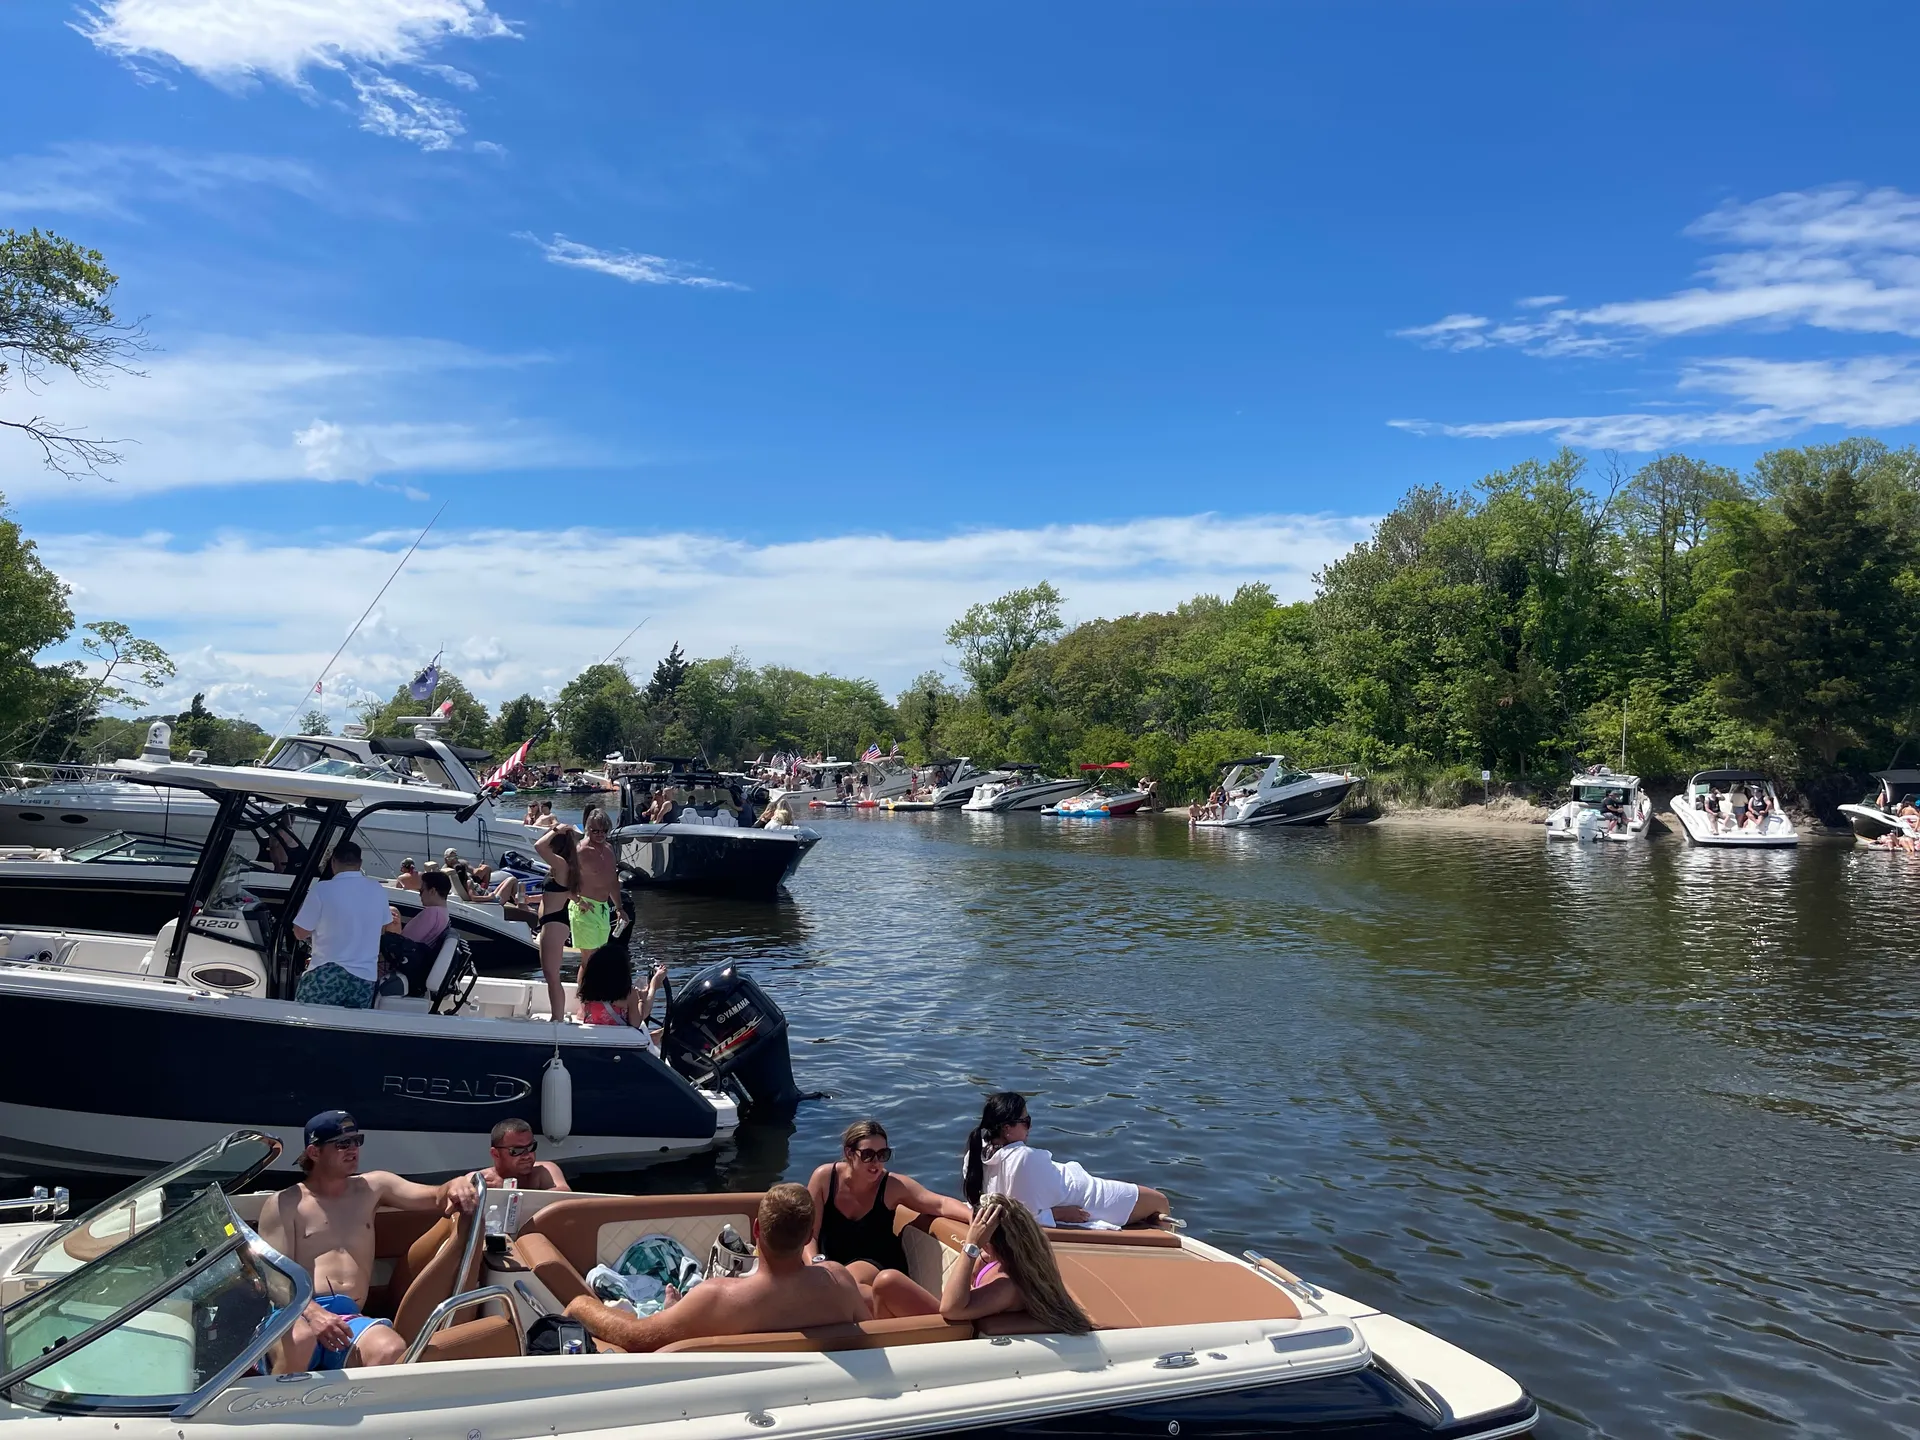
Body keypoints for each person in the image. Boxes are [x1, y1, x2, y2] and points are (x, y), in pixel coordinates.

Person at [258, 1111, 476, 1370]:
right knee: (302, 1339)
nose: (352, 1150)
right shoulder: (284, 1202)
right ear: (314, 1153)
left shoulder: (374, 1187)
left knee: (390, 1349)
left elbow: (434, 1196)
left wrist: (456, 1184)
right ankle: (278, 1408)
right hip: (295, 1311)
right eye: (341, 1144)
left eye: (356, 1141)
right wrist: (313, 1313)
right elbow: (274, 1278)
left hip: (349, 1316)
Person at [566, 1184, 869, 1352]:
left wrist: (581, 1305)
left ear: (756, 1231)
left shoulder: (716, 1298)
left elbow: (634, 1337)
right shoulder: (838, 1281)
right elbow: (873, 1333)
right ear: (807, 1237)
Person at [805, 1120, 971, 1302]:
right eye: (868, 1154)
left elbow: (940, 1203)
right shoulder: (824, 1179)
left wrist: (973, 1217)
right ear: (849, 1153)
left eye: (883, 1154)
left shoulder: (892, 1186)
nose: (876, 1162)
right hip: (830, 1263)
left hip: (877, 1264)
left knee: (846, 1282)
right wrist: (816, 1264)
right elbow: (809, 1235)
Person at [963, 1092, 1171, 1228]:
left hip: (1079, 1187)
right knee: (1160, 1201)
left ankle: (1148, 1221)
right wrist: (1058, 1214)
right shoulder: (1022, 1159)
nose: (1030, 1126)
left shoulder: (976, 1153)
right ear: (1007, 1129)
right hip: (1090, 1196)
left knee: (1151, 1206)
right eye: (1025, 1122)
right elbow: (1022, 1218)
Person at [938, 1193, 1092, 1334]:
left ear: (989, 1244)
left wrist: (971, 1245)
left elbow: (950, 1309)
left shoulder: (1007, 1287)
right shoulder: (992, 1260)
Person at [291, 840, 392, 1009]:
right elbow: (382, 929)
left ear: (333, 862)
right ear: (360, 863)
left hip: (327, 973)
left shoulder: (322, 889)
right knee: (350, 1030)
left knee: (308, 1022)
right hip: (364, 978)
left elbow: (300, 933)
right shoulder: (378, 889)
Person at [577, 939, 667, 1049]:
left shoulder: (587, 990)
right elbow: (636, 1023)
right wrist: (644, 996)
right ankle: (654, 1037)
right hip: (620, 1043)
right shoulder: (629, 994)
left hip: (593, 1040)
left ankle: (653, 1037)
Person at [531, 824, 579, 1022]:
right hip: (551, 921)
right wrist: (529, 901)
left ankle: (557, 1019)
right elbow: (561, 893)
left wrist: (555, 829)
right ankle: (556, 1017)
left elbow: (538, 846)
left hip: (554, 922)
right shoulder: (561, 867)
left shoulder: (561, 865)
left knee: (551, 974)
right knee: (549, 973)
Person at [571, 808, 627, 965]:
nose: (600, 834)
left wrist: (619, 909)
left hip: (602, 909)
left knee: (600, 956)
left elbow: (613, 881)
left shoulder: (609, 849)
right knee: (589, 958)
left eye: (604, 830)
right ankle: (583, 990)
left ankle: (596, 988)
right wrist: (577, 901)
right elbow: (563, 881)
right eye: (596, 831)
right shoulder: (580, 851)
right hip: (584, 907)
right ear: (588, 829)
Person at [480, 1117, 571, 1191]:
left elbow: (564, 1195)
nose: (527, 1156)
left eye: (531, 1147)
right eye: (517, 1150)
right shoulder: (482, 1179)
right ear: (495, 1154)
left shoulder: (544, 1170)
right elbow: (467, 1183)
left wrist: (507, 1188)